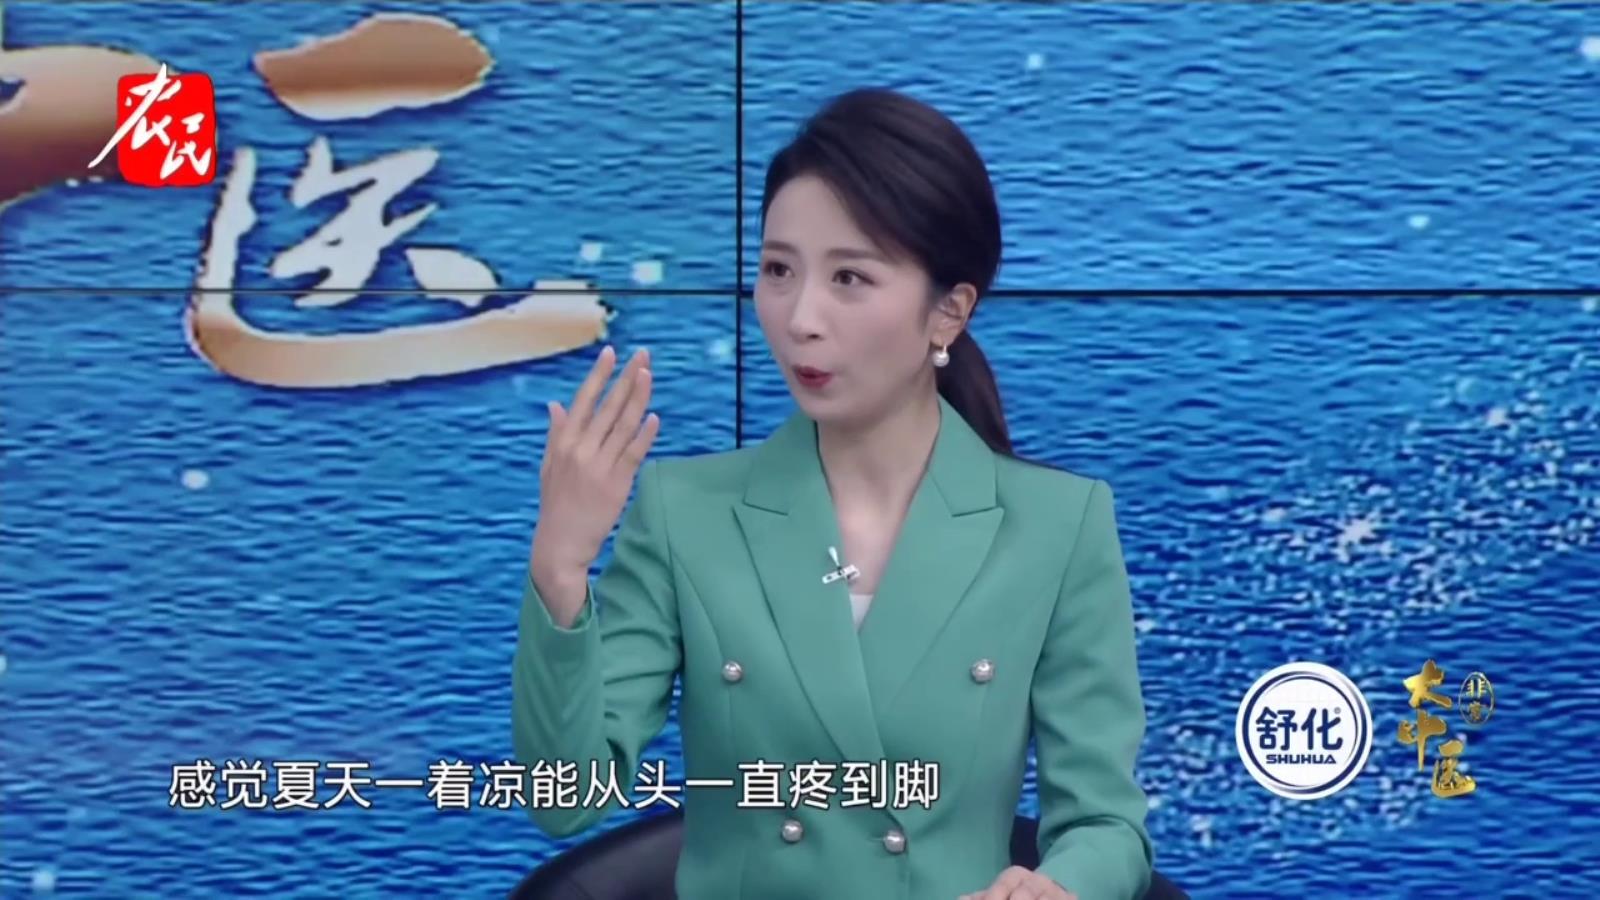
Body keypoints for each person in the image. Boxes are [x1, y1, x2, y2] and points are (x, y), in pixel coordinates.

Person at [512, 87, 1154, 900]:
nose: (800, 317)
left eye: (849, 277)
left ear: (947, 313)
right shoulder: (685, 514)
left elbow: (1105, 823)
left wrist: (1058, 888)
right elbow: (564, 799)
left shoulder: (1057, 527)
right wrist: (561, 568)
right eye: (779, 270)